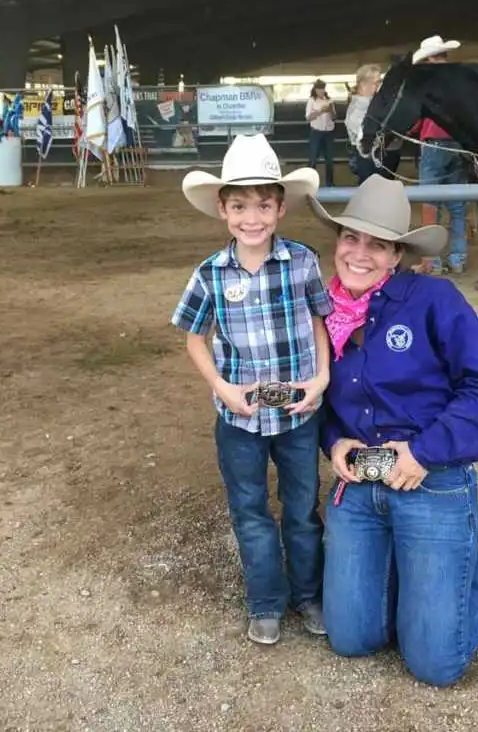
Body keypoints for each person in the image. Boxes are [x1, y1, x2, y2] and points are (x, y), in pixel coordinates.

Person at [306, 173, 478, 686]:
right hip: (359, 483)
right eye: (350, 238)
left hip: (430, 478)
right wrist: (334, 440)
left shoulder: (434, 300)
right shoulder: (321, 310)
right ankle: (417, 587)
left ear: (397, 255)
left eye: (377, 244)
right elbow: (316, 395)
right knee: (351, 638)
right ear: (337, 242)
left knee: (435, 663)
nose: (360, 254)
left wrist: (423, 452)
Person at [171, 133, 333, 646]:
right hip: (239, 418)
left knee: (302, 508)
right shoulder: (210, 275)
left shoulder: (303, 262)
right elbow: (193, 336)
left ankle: (308, 595)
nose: (252, 218)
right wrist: (221, 387)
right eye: (239, 206)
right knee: (250, 510)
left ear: (280, 208)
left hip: (298, 415)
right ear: (223, 210)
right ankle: (265, 601)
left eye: (264, 205)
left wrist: (322, 377)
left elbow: (320, 321)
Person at [409, 35, 469, 276]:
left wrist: (412, 130)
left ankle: (431, 261)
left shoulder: (426, 84)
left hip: (433, 144)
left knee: (430, 203)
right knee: (457, 205)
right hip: (459, 145)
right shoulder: (461, 81)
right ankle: (458, 258)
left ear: (431, 58)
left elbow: (416, 118)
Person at [345, 63, 402, 184]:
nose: (378, 86)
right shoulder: (357, 108)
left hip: (385, 153)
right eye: (376, 83)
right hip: (368, 156)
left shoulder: (377, 101)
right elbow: (364, 136)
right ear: (363, 84)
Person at [304, 78, 336, 187]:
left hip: (329, 132)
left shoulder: (330, 100)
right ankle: (310, 183)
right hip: (316, 132)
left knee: (329, 159)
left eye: (322, 89)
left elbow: (334, 117)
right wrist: (320, 112)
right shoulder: (311, 101)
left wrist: (330, 110)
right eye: (319, 89)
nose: (321, 91)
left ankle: (330, 183)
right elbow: (308, 117)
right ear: (315, 90)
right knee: (313, 158)